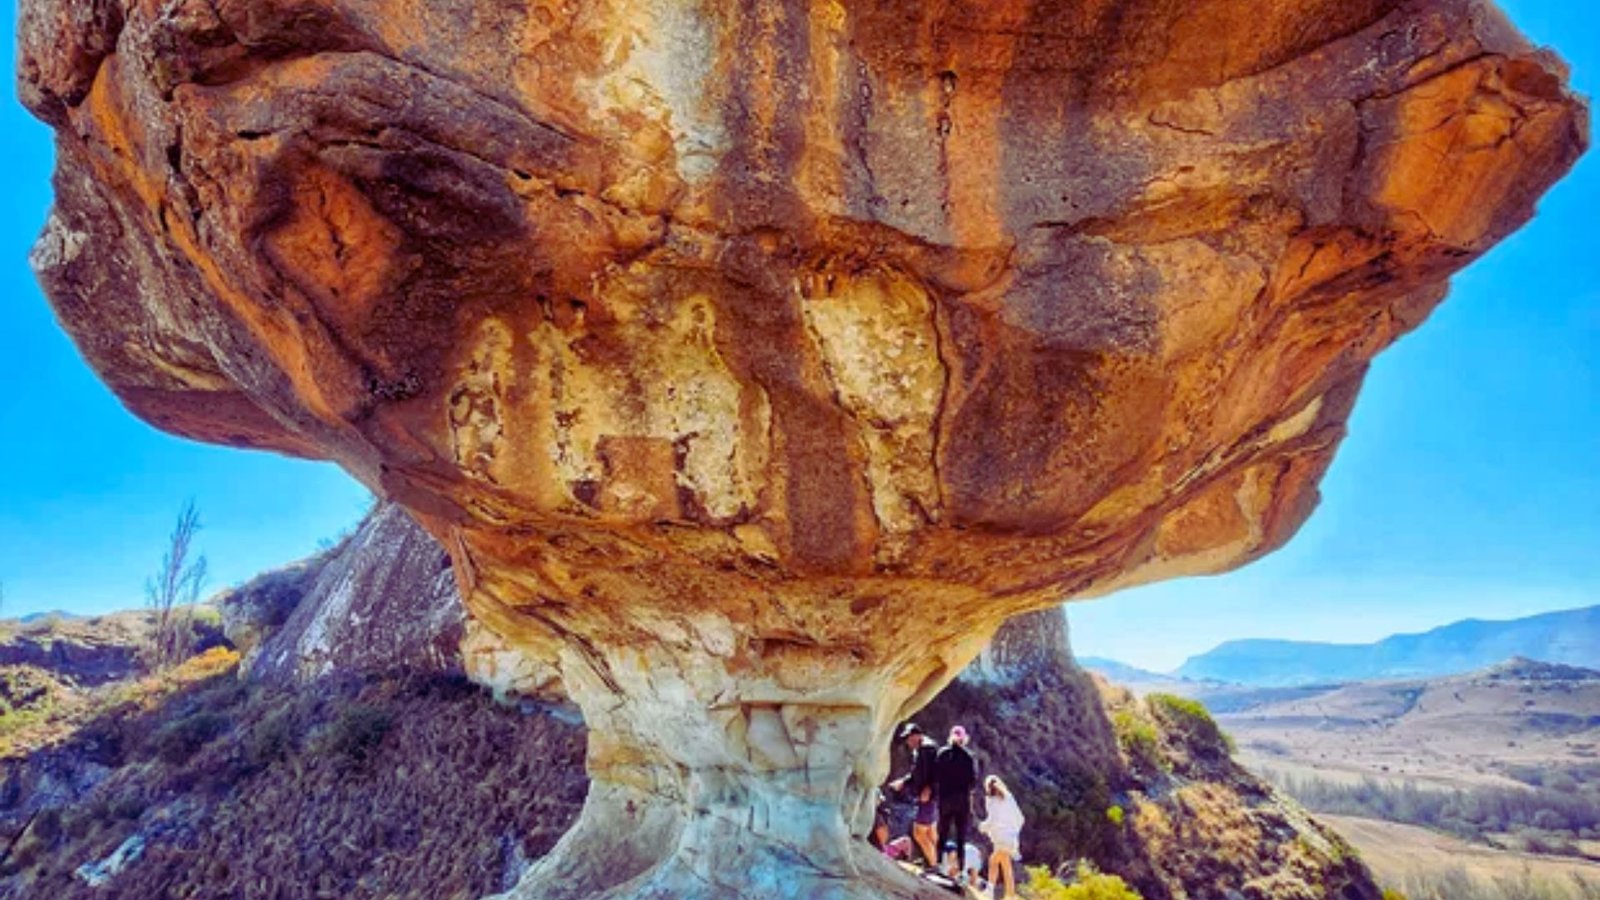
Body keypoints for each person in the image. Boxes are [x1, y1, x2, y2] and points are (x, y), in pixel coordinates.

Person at [888, 722, 940, 868]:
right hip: (932, 796)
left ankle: (933, 865)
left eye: (910, 737)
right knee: (930, 831)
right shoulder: (924, 748)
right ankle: (935, 861)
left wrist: (929, 788)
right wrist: (903, 782)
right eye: (907, 738)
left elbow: (937, 772)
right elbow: (917, 773)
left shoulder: (926, 749)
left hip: (927, 796)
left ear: (918, 735)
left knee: (919, 832)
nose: (908, 741)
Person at [934, 725, 979, 880]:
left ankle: (939, 864)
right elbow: (973, 781)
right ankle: (960, 870)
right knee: (961, 836)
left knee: (943, 832)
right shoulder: (968, 757)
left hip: (945, 798)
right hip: (962, 801)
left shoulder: (942, 753)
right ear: (964, 739)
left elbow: (936, 775)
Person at [978, 775, 1024, 899]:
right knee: (1005, 865)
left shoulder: (991, 800)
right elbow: (1020, 818)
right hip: (1010, 839)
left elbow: (992, 819)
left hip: (1000, 838)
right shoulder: (1009, 797)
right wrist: (1014, 832)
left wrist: (983, 827)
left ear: (987, 787)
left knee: (993, 861)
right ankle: (1010, 895)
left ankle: (989, 892)